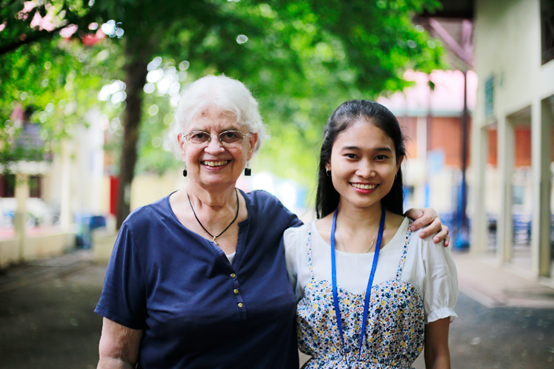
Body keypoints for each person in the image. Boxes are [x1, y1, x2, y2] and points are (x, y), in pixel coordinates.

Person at [95, 76, 450, 369]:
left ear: (251, 144)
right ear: (180, 144)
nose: (215, 147)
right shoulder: (142, 231)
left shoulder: (274, 220)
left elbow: (347, 235)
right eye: (200, 135)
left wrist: (414, 219)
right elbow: (115, 355)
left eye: (230, 135)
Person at [284, 100, 458, 368]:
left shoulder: (424, 243)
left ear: (398, 163)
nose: (365, 171)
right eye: (352, 156)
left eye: (380, 157)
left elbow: (438, 354)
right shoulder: (295, 244)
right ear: (328, 161)